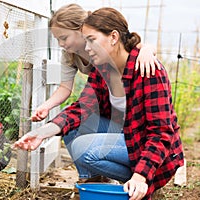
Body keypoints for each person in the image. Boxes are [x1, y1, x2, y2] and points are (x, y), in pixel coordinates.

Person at [14, 7, 184, 200]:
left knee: (84, 149)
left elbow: (161, 133)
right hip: (125, 133)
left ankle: (143, 181)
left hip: (151, 148)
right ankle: (97, 185)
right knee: (74, 129)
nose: (86, 48)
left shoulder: (148, 70)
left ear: (113, 37)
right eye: (85, 41)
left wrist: (140, 176)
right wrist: (41, 133)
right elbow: (81, 108)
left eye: (91, 40)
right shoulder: (102, 69)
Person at [31, 3, 160, 122]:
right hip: (104, 95)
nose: (60, 44)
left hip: (124, 98)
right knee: (76, 127)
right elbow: (65, 87)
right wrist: (46, 106)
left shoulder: (103, 47)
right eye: (57, 39)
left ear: (81, 30)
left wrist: (148, 50)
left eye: (64, 38)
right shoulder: (69, 55)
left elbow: (135, 46)